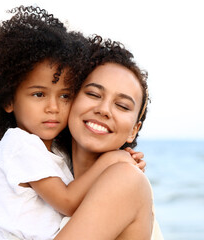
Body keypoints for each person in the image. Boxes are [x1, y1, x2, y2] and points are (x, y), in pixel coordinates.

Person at [0, 6, 146, 239]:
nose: (53, 107)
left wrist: (119, 165)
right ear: (8, 100)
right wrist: (112, 160)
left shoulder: (56, 154)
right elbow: (67, 202)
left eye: (64, 95)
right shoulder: (20, 145)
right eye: (39, 94)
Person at [55, 35, 163, 239]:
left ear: (134, 130)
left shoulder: (126, 178)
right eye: (94, 94)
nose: (104, 110)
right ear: (70, 99)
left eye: (122, 106)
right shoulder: (49, 177)